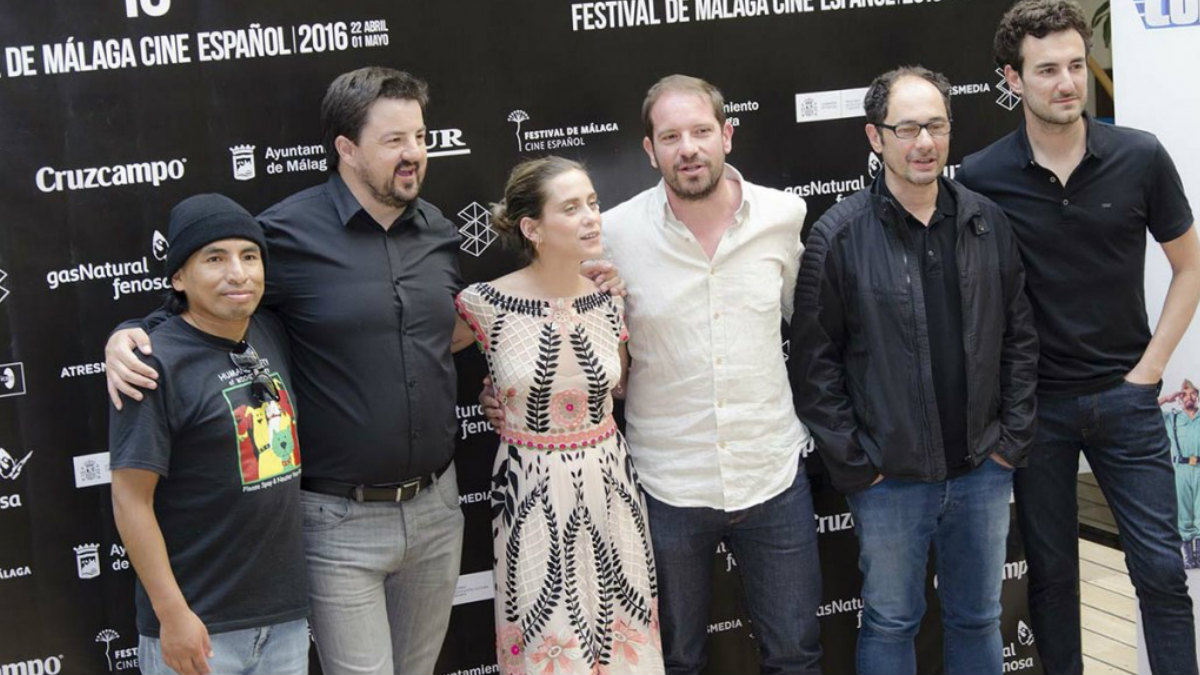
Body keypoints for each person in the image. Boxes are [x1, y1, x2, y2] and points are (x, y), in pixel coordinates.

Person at [105, 67, 622, 675]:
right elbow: (214, 293)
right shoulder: (286, 234)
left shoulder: (437, 231)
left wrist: (578, 290)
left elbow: (475, 323)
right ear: (346, 149)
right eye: (394, 141)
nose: (414, 155)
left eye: (421, 137)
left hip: (436, 510)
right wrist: (129, 335)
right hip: (336, 523)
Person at [483, 74, 823, 675]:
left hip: (772, 475)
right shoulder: (609, 234)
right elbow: (561, 327)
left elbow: (815, 329)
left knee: (795, 656)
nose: (687, 148)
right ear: (650, 150)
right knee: (674, 660)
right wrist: (511, 392)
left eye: (700, 131)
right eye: (670, 136)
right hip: (664, 486)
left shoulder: (784, 215)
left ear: (728, 135)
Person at [957, 2, 1200, 673]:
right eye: (1047, 70)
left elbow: (1190, 266)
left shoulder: (1140, 156)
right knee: (1055, 580)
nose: (1067, 82)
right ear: (1013, 78)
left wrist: (1149, 370)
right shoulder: (982, 176)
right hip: (1038, 410)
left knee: (1160, 573)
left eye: (1075, 65)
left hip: (1127, 401)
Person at [790, 66, 1038, 675]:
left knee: (979, 618)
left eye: (936, 126)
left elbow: (1020, 337)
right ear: (876, 138)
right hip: (890, 481)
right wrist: (858, 465)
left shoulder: (986, 221)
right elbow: (815, 365)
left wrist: (1010, 443)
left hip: (983, 470)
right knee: (891, 621)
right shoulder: (839, 235)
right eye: (907, 129)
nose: (923, 142)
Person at [456, 156, 663, 675]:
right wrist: (495, 396)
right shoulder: (482, 304)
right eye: (571, 208)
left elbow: (622, 383)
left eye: (592, 203)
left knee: (624, 644)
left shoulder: (608, 295)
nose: (592, 217)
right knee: (550, 642)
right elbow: (418, 365)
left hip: (611, 485)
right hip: (532, 495)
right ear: (533, 227)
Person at [110, 194, 308, 675]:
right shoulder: (153, 365)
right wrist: (172, 614)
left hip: (284, 620)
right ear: (179, 277)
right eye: (214, 258)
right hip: (200, 626)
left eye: (249, 256)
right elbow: (130, 500)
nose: (237, 274)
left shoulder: (269, 332)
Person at [1160, 380, 1200, 568]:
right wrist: (1167, 398)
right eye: (1184, 394)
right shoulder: (1172, 419)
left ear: (1197, 396)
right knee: (1183, 512)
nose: (1188, 397)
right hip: (1181, 470)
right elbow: (1144, 409)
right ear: (1179, 399)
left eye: (1192, 393)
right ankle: (1187, 557)